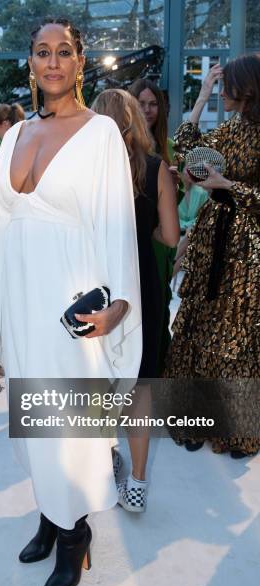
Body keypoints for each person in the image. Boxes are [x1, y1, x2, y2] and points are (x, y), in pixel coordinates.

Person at [0, 19, 142, 586]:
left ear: (79, 61)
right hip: (20, 300)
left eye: (63, 52)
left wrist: (118, 307)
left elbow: (118, 224)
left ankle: (76, 536)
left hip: (69, 304)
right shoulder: (12, 135)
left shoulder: (100, 135)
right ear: (31, 61)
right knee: (34, 420)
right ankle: (51, 515)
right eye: (42, 52)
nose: (52, 62)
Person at [164, 54, 260, 458]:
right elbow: (187, 148)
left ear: (248, 88)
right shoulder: (233, 126)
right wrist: (200, 98)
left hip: (246, 250)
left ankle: (238, 431)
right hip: (211, 240)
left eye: (226, 84)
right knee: (196, 326)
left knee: (236, 337)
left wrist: (228, 186)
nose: (222, 90)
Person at [92, 89, 179, 511]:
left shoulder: (85, 172)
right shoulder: (155, 168)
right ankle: (139, 482)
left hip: (93, 283)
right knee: (139, 382)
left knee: (99, 377)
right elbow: (170, 236)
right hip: (140, 280)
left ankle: (105, 459)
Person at [129, 78, 178, 374]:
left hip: (161, 243)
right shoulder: (114, 152)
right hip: (149, 239)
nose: (147, 110)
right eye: (141, 103)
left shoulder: (166, 148)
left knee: (155, 314)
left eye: (152, 104)